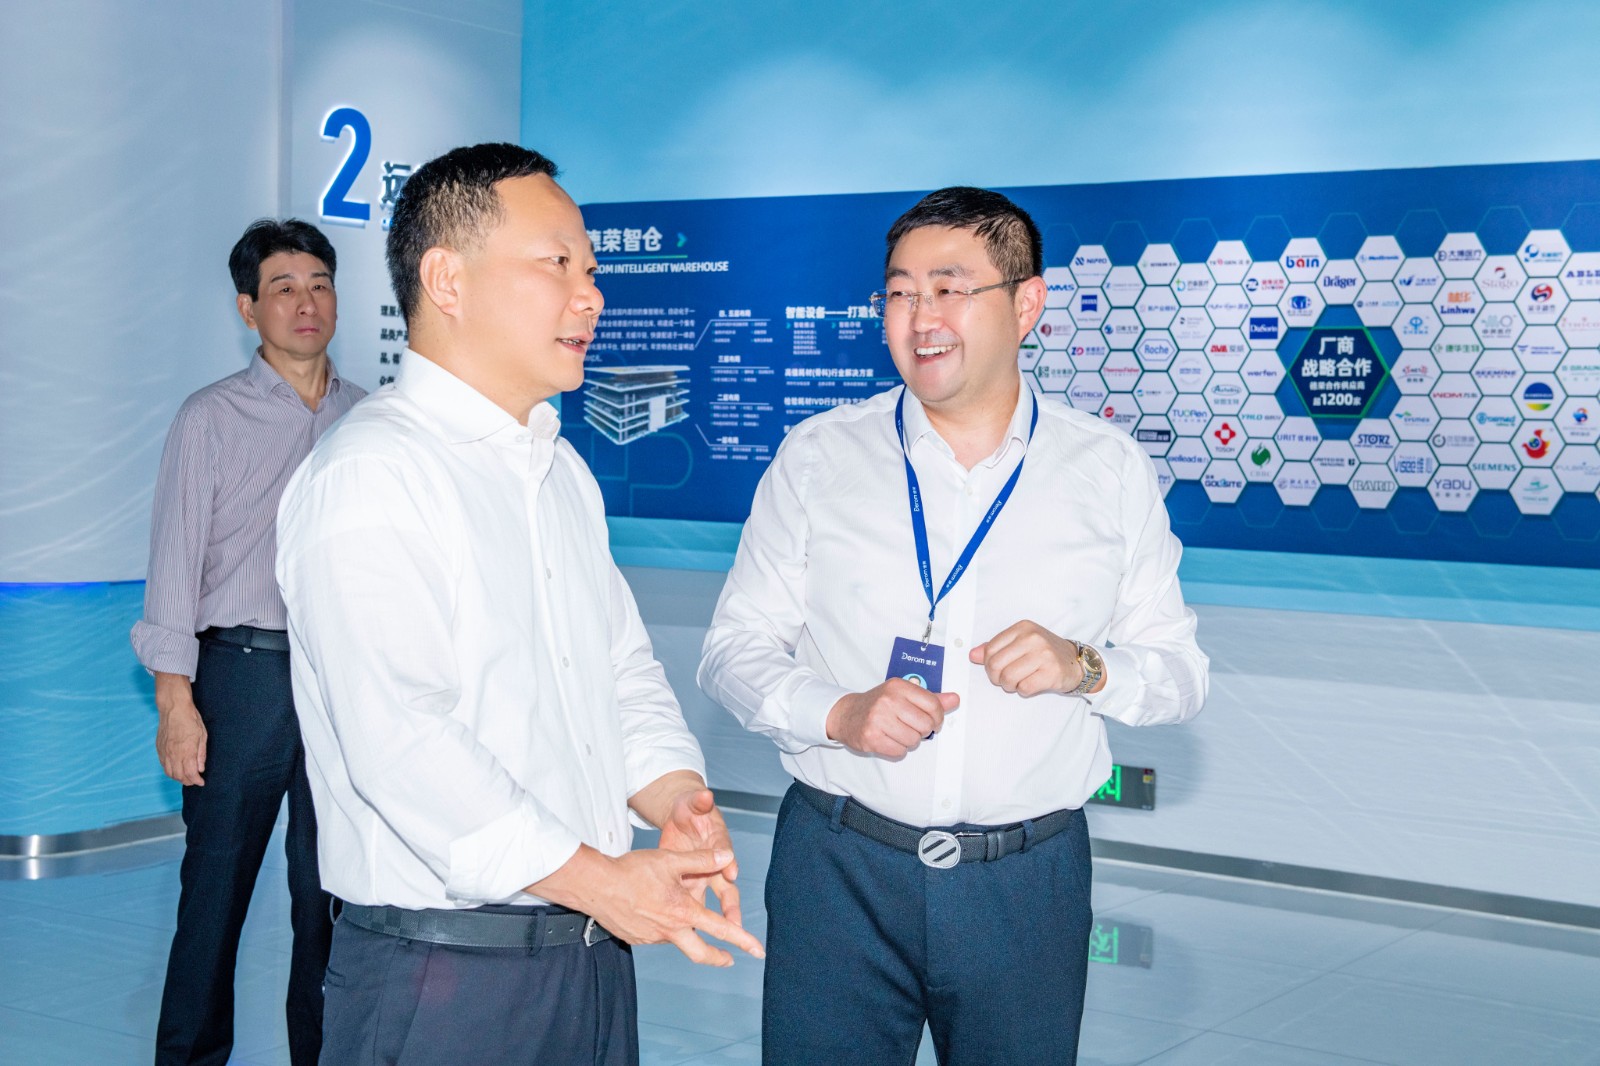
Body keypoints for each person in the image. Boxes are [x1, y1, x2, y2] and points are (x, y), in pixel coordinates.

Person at [275, 142, 763, 1066]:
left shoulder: (558, 469)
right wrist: (599, 880)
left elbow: (617, 669)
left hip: (586, 955)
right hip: (444, 978)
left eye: (592, 270)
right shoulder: (372, 475)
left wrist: (675, 795)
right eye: (557, 264)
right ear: (447, 280)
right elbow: (402, 741)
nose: (590, 296)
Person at [698, 186, 1209, 1064]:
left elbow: (1180, 675)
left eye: (949, 288)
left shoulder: (1107, 469)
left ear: (1027, 304)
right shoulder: (820, 456)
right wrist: (837, 712)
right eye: (900, 292)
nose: (920, 317)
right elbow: (731, 650)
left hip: (1027, 882)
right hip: (838, 869)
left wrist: (1084, 667)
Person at [131, 218, 363, 1066]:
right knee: (215, 896)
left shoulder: (369, 419)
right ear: (247, 307)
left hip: (341, 684)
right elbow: (174, 563)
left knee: (332, 895)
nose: (306, 303)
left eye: (320, 284)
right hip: (241, 677)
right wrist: (176, 702)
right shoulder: (211, 418)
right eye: (283, 288)